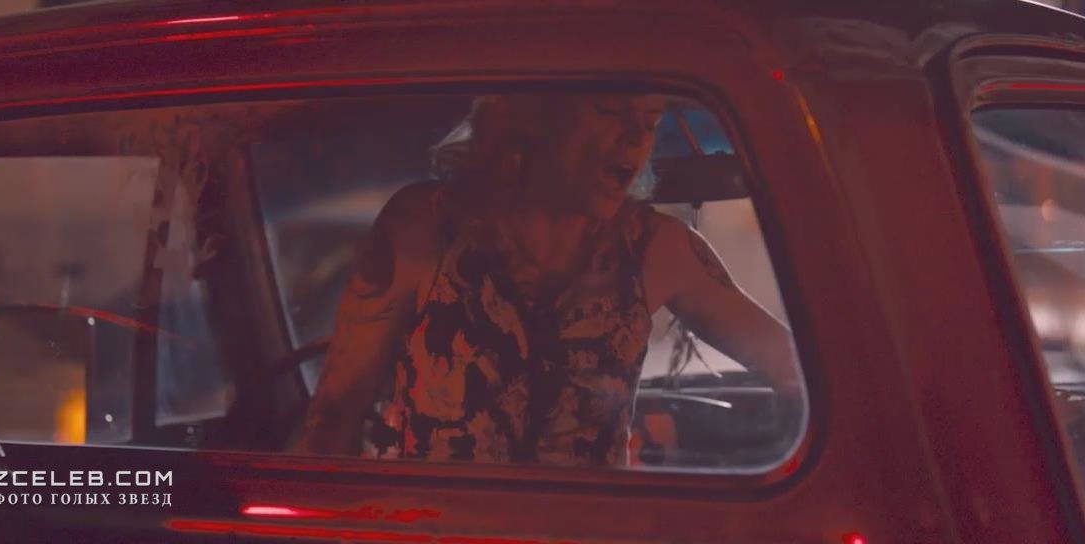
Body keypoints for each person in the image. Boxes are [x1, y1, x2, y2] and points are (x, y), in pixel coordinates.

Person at [294, 93, 799, 466]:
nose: (637, 137)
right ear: (533, 117)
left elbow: (799, 370)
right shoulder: (426, 226)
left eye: (651, 121)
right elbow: (334, 420)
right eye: (609, 110)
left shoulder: (654, 247)